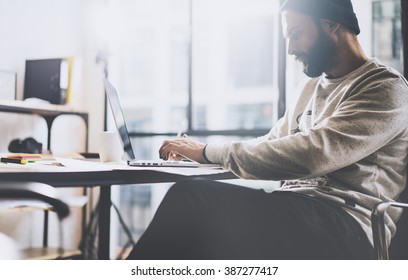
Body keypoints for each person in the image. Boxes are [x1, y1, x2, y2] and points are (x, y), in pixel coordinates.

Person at [127, 0, 408, 260]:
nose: (291, 50)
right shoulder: (311, 88)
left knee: (191, 201)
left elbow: (312, 154)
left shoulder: (385, 88)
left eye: (297, 34)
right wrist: (199, 152)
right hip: (294, 209)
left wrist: (207, 152)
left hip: (347, 227)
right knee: (200, 233)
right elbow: (273, 142)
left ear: (331, 23)